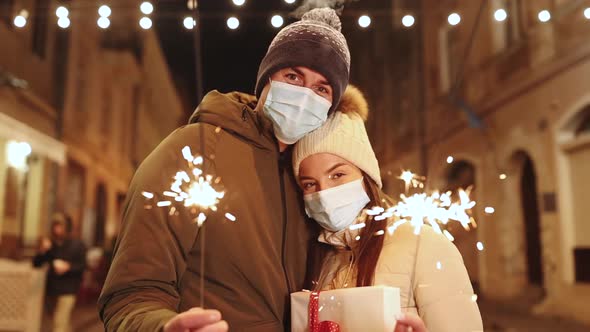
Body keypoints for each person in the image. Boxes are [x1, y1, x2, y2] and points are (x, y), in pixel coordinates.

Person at [98, 7, 351, 332]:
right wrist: (164, 327)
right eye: (293, 76)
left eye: (322, 89)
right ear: (266, 80)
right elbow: (130, 294)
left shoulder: (316, 176)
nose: (304, 96)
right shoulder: (192, 151)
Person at [292, 86, 484, 332]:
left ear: (366, 176)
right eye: (310, 184)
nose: (324, 192)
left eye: (338, 174)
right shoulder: (321, 260)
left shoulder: (423, 245)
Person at [33, 213, 87, 332]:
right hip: (52, 289)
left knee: (59, 322)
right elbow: (36, 263)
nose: (57, 229)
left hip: (69, 288)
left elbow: (82, 266)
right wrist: (42, 250)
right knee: (60, 322)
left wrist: (68, 267)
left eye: (60, 226)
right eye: (55, 226)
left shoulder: (77, 245)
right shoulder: (50, 245)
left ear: (67, 227)